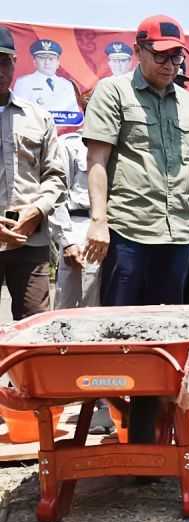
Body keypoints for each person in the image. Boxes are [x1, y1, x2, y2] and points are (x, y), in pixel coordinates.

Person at [81, 15, 189, 444]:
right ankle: (110, 412)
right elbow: (98, 161)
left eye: (176, 55)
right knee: (119, 330)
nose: (169, 63)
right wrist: (98, 221)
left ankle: (148, 428)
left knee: (164, 337)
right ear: (138, 51)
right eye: (160, 55)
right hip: (128, 232)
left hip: (176, 235)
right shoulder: (114, 92)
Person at [0, 27, 66, 320]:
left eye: (4, 62)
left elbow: (55, 176)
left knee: (34, 325)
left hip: (30, 239)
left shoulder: (38, 117)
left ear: (15, 63)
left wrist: (35, 212)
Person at [51, 88, 100, 309]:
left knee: (105, 305)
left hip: (115, 229)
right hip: (79, 227)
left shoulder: (122, 146)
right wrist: (67, 240)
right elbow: (57, 195)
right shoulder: (69, 145)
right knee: (69, 307)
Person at [13, 38, 80, 115]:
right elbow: (18, 114)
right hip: (33, 126)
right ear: (34, 61)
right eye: (42, 58)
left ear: (58, 62)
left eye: (51, 59)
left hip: (64, 126)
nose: (47, 62)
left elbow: (74, 114)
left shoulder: (67, 84)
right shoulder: (23, 82)